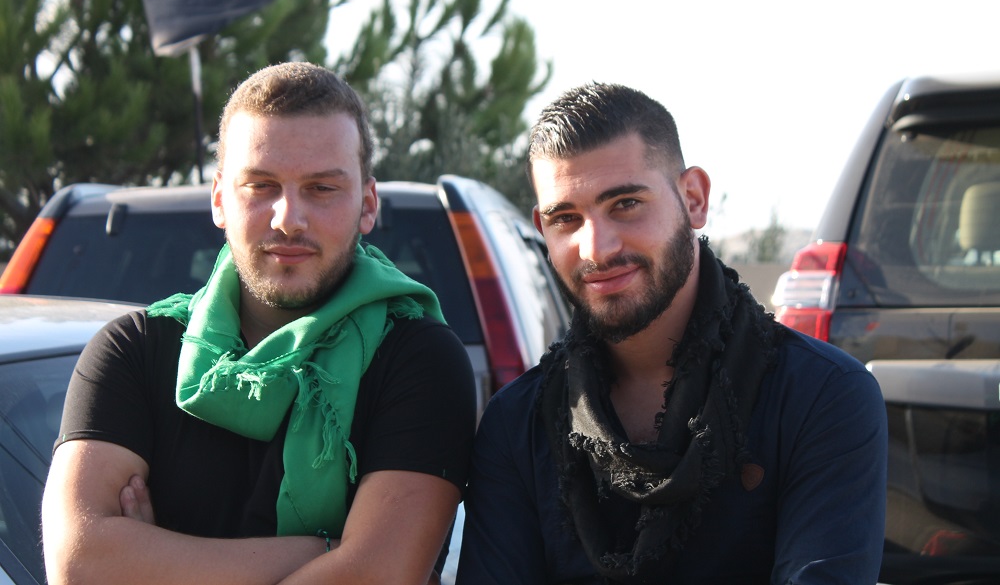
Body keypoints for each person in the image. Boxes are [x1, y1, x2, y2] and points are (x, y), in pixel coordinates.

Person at [41, 62, 476, 585]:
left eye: (322, 188)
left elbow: (376, 576)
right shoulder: (133, 351)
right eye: (261, 186)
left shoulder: (419, 359)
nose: (288, 218)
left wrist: (152, 563)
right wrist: (329, 552)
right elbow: (79, 562)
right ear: (220, 200)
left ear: (367, 205)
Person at [456, 82, 888, 584]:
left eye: (625, 204)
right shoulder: (517, 424)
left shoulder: (822, 396)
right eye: (566, 219)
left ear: (694, 199)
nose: (596, 248)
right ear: (542, 229)